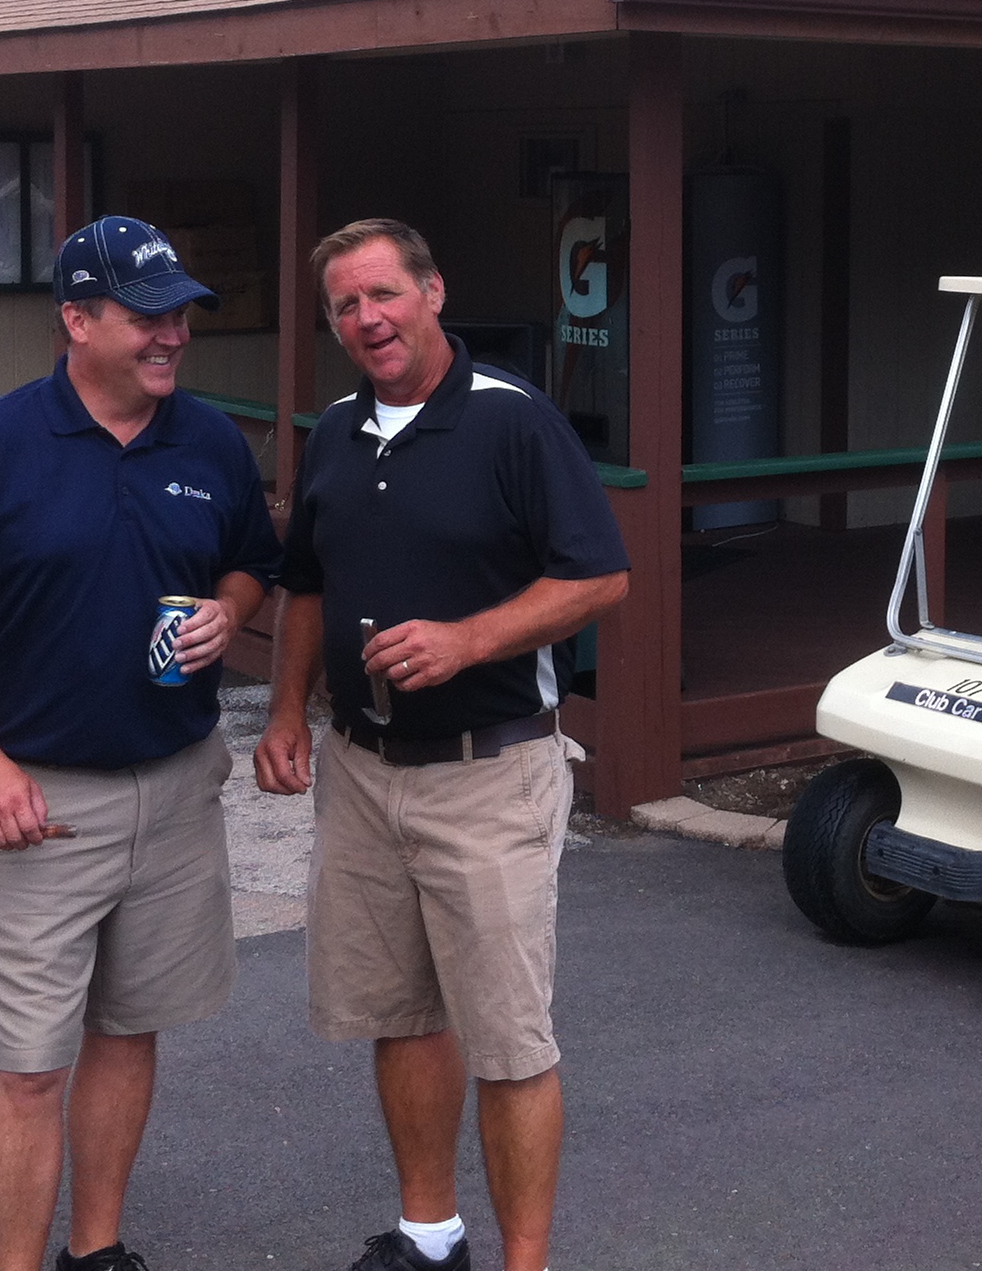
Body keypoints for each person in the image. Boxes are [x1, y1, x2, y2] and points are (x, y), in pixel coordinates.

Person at [0, 216, 281, 1271]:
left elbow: (251, 560)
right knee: (29, 1068)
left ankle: (96, 1251)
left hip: (176, 787)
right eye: (148, 317)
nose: (173, 335)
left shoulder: (209, 442)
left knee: (130, 1030)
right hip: (39, 806)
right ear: (77, 320)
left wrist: (231, 611)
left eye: (181, 315)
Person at [255, 219, 630, 1271]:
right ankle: (430, 1236)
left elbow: (600, 576)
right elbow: (306, 584)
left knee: (508, 1040)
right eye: (345, 305)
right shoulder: (336, 431)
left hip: (490, 773)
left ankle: (525, 1261)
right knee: (401, 1013)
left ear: (432, 292)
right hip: (363, 774)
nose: (367, 318)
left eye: (383, 293)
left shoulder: (514, 420)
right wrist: (285, 713)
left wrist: (469, 639)